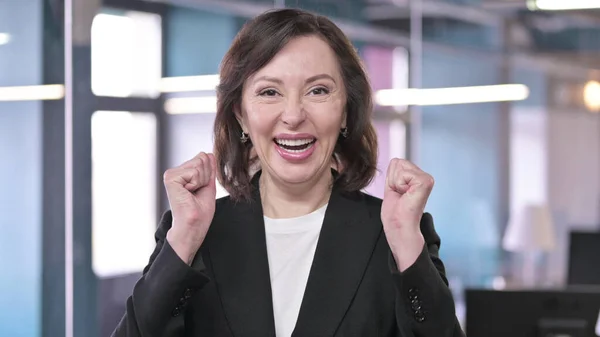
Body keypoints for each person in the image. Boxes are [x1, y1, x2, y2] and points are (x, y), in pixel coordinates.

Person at [112, 7, 464, 337]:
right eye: (269, 92)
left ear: (345, 112)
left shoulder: (395, 232)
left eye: (318, 90)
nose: (293, 115)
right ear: (240, 115)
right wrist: (184, 240)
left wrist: (406, 249)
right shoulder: (192, 233)